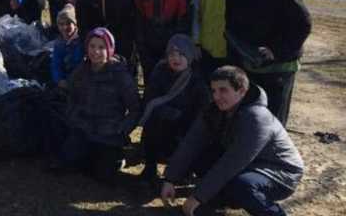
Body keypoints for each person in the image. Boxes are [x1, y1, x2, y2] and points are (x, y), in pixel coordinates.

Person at [161, 66, 304, 216]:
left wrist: (197, 197)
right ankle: (222, 198)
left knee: (243, 186)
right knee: (201, 156)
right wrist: (170, 179)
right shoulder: (215, 109)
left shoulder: (257, 117)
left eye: (223, 90)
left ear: (241, 90)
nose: (216, 96)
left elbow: (232, 162)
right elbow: (191, 142)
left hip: (280, 171)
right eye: (214, 90)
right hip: (250, 164)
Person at [221, 0, 311, 126]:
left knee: (272, 123)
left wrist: (276, 50)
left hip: (279, 66)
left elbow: (303, 23)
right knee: (250, 119)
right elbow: (233, 26)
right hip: (250, 63)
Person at [49, 27, 140, 180]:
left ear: (109, 50)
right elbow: (72, 96)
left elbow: (135, 109)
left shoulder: (120, 75)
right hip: (84, 129)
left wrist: (122, 130)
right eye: (92, 46)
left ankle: (120, 157)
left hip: (109, 133)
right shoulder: (81, 70)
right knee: (69, 163)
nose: (95, 51)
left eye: (101, 47)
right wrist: (74, 118)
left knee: (103, 175)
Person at [139, 34, 209, 183]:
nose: (175, 58)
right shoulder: (159, 71)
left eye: (181, 54)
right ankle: (150, 166)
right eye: (172, 54)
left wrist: (181, 116)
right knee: (153, 121)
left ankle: (184, 169)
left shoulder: (197, 79)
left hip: (184, 125)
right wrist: (167, 112)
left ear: (189, 56)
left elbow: (203, 110)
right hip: (162, 120)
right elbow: (150, 97)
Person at [50, 4, 84, 88]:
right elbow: (56, 64)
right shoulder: (58, 43)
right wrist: (59, 80)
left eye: (68, 23)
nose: (65, 27)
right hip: (64, 82)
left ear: (75, 24)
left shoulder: (81, 41)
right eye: (61, 24)